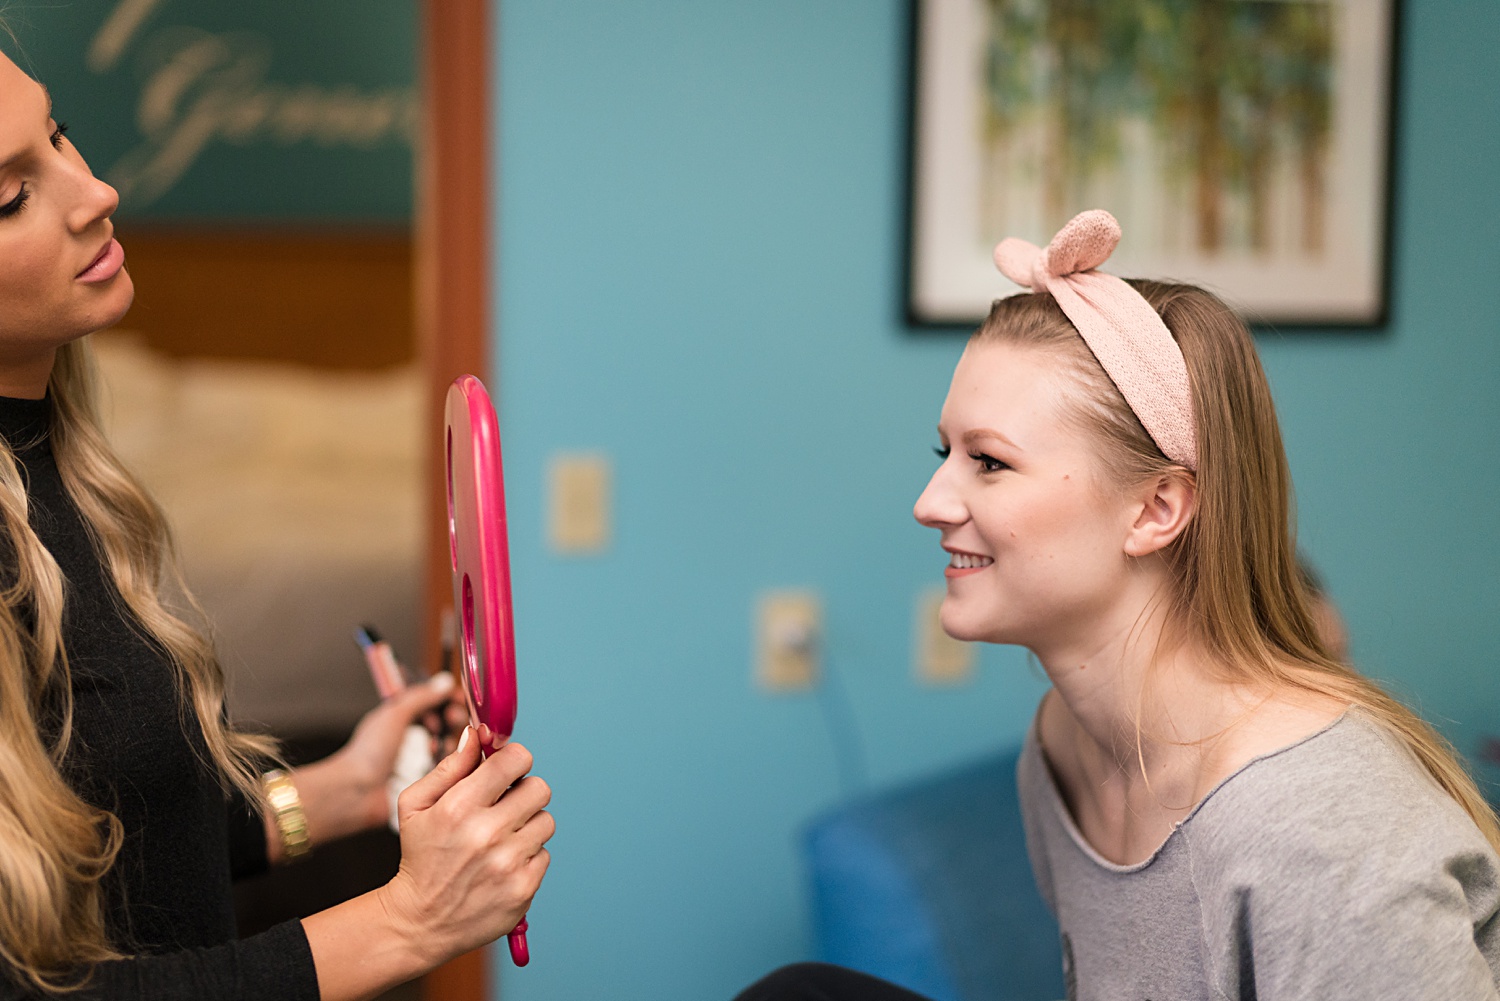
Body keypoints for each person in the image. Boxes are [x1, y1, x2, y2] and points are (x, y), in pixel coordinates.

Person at [737, 211, 1500, 1000]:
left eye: (990, 462)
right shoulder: (1065, 750)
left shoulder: (1312, 827)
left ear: (1156, 509)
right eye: (946, 453)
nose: (931, 501)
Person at [0, 45, 553, 999]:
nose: (97, 190)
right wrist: (407, 920)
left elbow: (108, 828)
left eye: (57, 134)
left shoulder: (50, 465)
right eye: (9, 197)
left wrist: (348, 789)